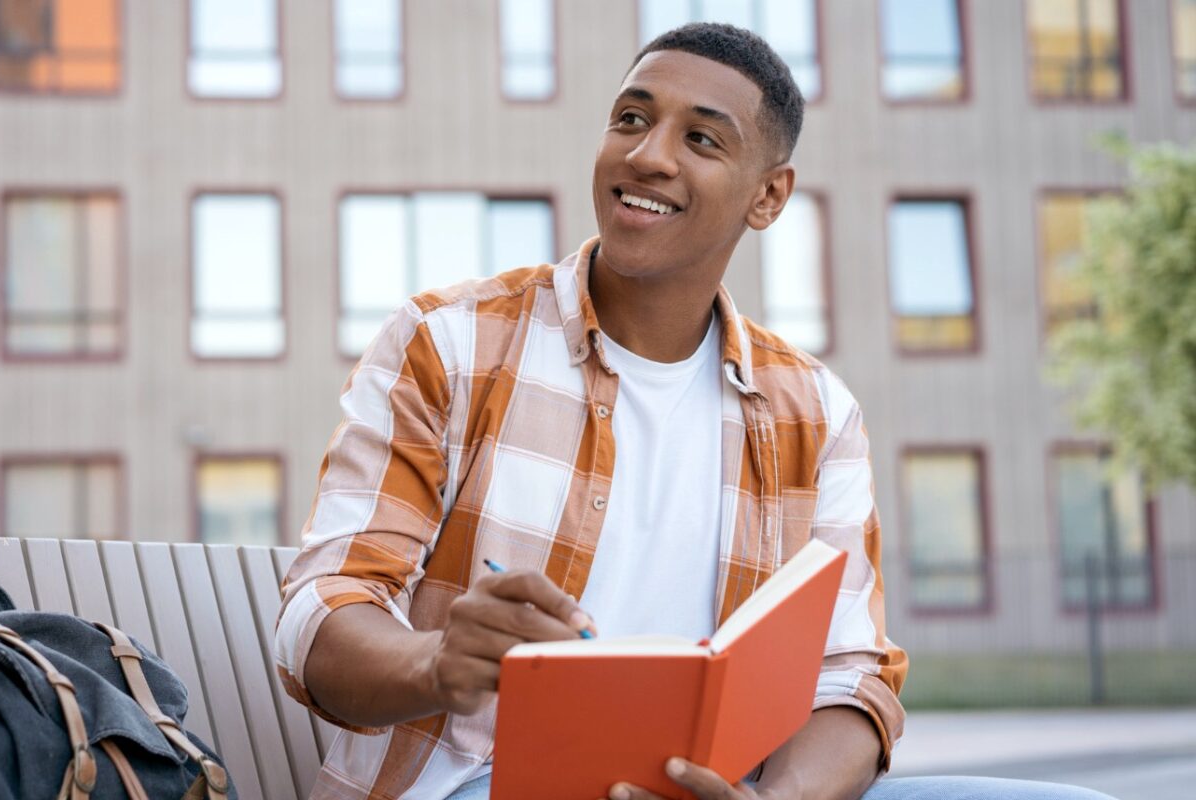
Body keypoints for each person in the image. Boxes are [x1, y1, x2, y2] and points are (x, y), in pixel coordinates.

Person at [274, 22, 1116, 800]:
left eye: (700, 138)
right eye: (630, 119)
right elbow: (321, 612)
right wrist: (435, 661)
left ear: (769, 197)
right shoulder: (449, 346)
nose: (647, 155)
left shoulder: (815, 413)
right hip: (473, 784)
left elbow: (851, 677)